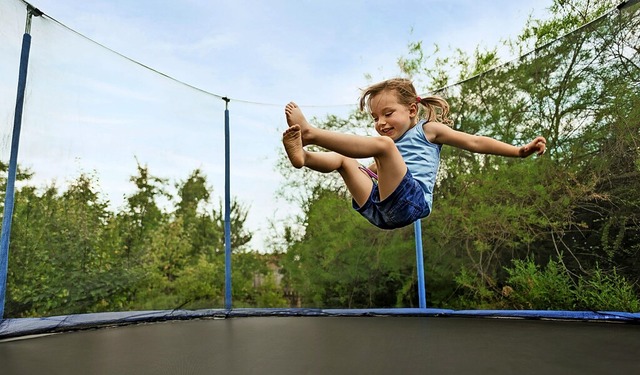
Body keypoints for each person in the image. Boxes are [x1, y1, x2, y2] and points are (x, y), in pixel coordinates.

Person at [282, 78, 546, 229]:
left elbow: (475, 142)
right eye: (375, 117)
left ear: (411, 111)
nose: (381, 123)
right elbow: (373, 171)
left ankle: (311, 133)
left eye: (388, 114)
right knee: (344, 161)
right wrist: (366, 170)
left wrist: (518, 151)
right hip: (381, 211)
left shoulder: (427, 130)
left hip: (412, 202)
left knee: (382, 147)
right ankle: (305, 158)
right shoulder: (388, 150)